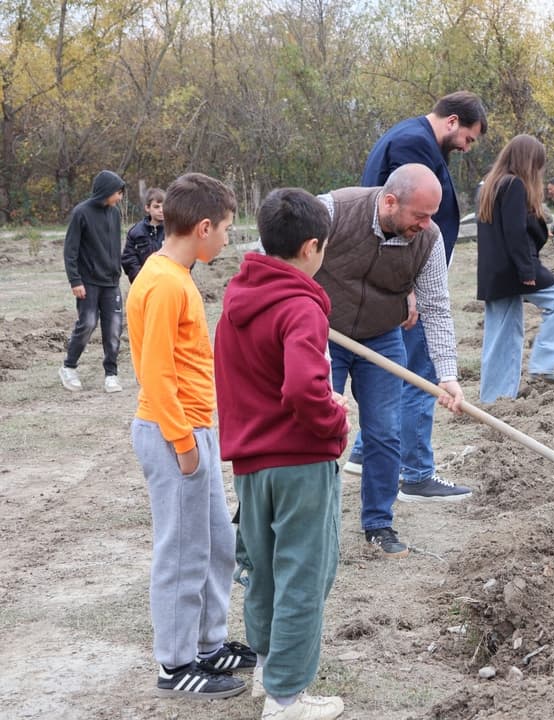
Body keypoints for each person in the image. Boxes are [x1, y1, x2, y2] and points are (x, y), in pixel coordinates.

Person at [215, 188, 350, 720]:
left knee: (265, 572)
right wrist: (333, 418)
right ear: (312, 247)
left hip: (251, 463)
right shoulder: (301, 305)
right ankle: (288, 697)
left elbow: (249, 378)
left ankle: (269, 670)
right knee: (303, 575)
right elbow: (299, 388)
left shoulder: (237, 299)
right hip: (299, 462)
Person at [126, 172, 255, 699]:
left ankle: (209, 642)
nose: (227, 239)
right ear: (202, 228)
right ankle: (176, 664)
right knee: (181, 551)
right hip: (170, 432)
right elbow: (154, 373)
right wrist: (182, 443)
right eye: (225, 229)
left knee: (216, 542)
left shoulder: (178, 275)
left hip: (193, 429)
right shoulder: (161, 283)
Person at [343, 91, 486, 501]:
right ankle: (416, 472)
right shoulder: (414, 144)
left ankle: (364, 451)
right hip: (405, 280)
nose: (465, 148)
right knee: (419, 373)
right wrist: (407, 286)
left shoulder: (409, 136)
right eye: (468, 139)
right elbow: (395, 218)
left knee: (401, 370)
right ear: (453, 121)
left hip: (407, 276)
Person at [317, 164, 466, 558]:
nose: (427, 224)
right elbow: (279, 254)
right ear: (389, 201)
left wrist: (447, 374)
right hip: (322, 335)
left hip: (382, 338)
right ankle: (313, 521)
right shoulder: (333, 209)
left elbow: (436, 306)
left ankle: (378, 524)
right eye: (419, 215)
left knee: (385, 431)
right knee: (316, 430)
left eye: (432, 215)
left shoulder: (429, 239)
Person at [476, 135, 554, 402]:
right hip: (513, 270)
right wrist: (527, 271)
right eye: (538, 165)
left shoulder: (489, 184)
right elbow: (515, 232)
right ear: (529, 162)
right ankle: (542, 365)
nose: (539, 172)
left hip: (493, 273)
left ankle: (494, 401)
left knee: (499, 337)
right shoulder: (514, 185)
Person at [60, 169, 126, 393]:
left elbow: (115, 246)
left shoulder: (115, 213)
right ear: (106, 191)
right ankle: (68, 367)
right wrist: (75, 281)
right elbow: (70, 251)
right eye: (118, 192)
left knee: (114, 328)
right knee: (87, 324)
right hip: (87, 282)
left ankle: (111, 374)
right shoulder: (81, 213)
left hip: (111, 282)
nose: (120, 197)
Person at [121, 187, 166, 284]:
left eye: (164, 206)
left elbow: (186, 254)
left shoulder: (174, 230)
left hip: (169, 284)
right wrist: (141, 279)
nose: (161, 210)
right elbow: (128, 259)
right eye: (156, 206)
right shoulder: (136, 232)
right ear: (147, 208)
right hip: (144, 284)